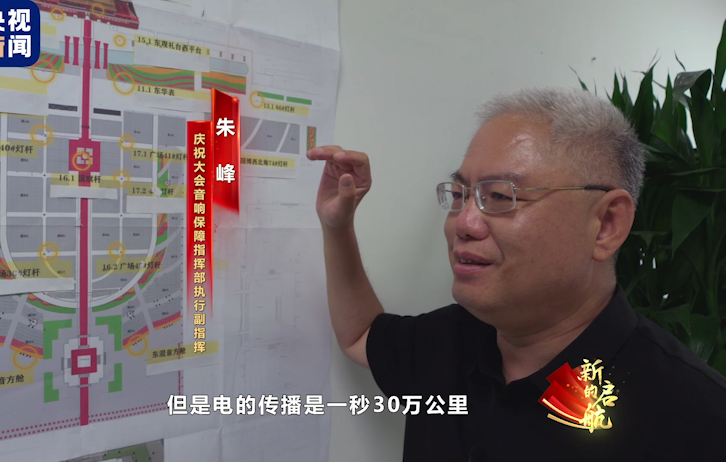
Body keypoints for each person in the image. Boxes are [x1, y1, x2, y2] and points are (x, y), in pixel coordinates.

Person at [307, 86, 726, 462]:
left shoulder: (695, 418)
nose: (463, 223)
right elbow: (361, 335)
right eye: (460, 195)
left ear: (606, 225)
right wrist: (337, 226)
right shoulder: (451, 342)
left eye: (500, 196)